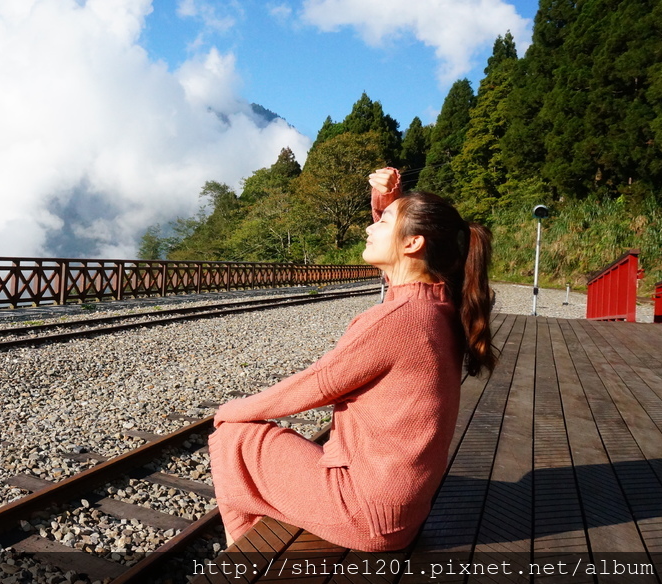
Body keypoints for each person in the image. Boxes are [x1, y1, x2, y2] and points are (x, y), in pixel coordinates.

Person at [208, 167, 495, 551]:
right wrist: (386, 203)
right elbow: (401, 263)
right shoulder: (440, 304)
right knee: (251, 443)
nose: (369, 228)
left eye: (382, 222)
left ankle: (241, 557)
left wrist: (232, 410)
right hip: (399, 511)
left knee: (232, 437)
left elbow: (317, 383)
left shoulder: (399, 319)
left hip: (367, 513)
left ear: (413, 243)